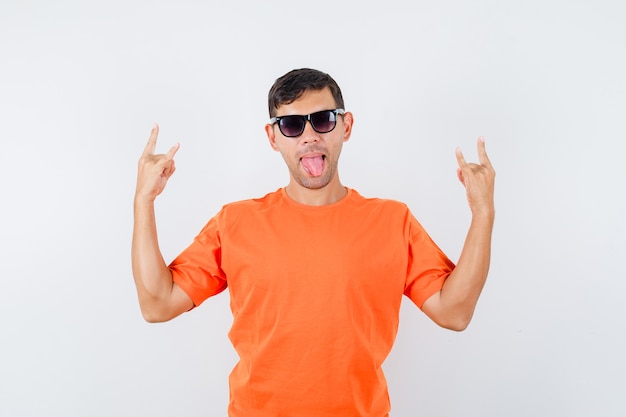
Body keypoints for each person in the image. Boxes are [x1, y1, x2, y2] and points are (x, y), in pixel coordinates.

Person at [131, 68, 495, 417]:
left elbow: (454, 312)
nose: (309, 136)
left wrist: (483, 213)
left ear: (346, 125)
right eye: (291, 125)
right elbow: (158, 304)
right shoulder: (235, 222)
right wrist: (143, 201)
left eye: (323, 120)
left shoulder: (392, 221)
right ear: (273, 137)